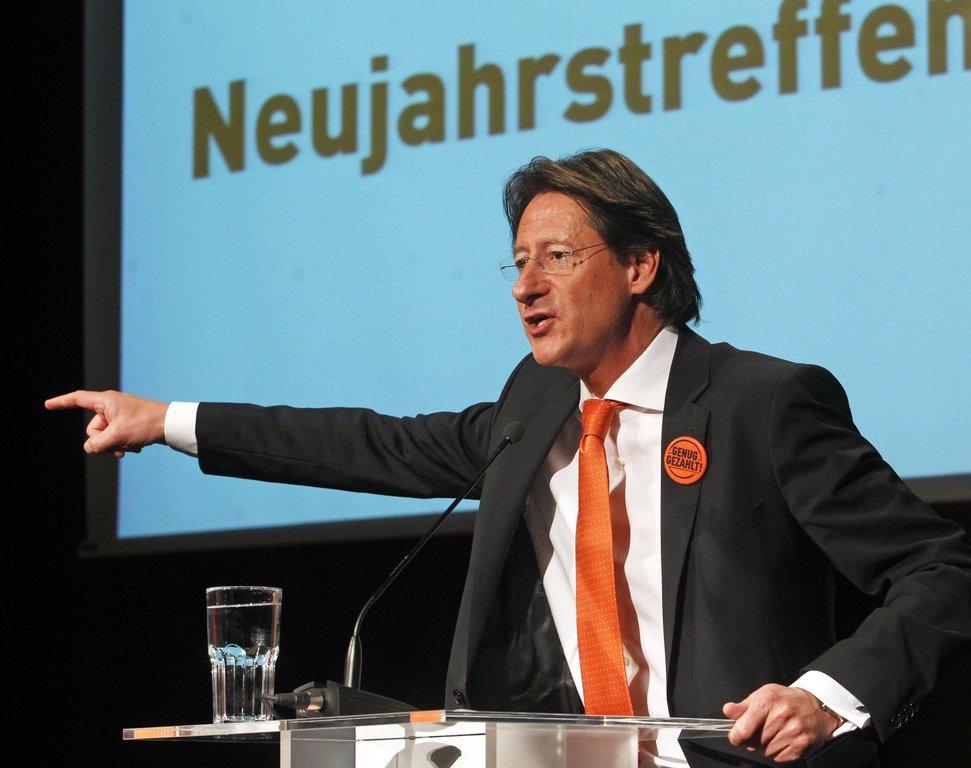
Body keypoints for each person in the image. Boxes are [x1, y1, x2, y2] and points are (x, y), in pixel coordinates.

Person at [47, 149, 970, 766]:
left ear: (640, 265)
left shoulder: (760, 403)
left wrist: (826, 695)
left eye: (556, 257)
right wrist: (166, 419)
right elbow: (372, 442)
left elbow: (942, 570)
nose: (526, 286)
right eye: (517, 262)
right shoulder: (533, 410)